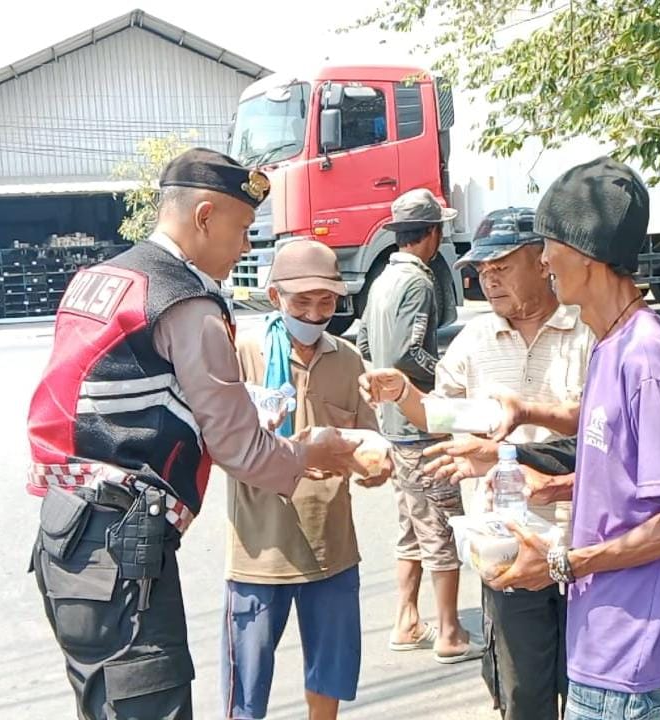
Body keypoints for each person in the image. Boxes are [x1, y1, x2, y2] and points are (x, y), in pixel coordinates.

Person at [25, 148, 363, 720]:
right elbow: (241, 448)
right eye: (242, 229)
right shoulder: (186, 302)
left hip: (66, 534)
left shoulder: (102, 279)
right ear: (205, 216)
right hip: (124, 550)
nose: (246, 248)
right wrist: (310, 454)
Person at [467, 157, 660, 720]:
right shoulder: (611, 342)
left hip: (629, 644)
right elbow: (632, 476)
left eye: (548, 246)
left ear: (583, 254)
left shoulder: (646, 355)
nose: (542, 261)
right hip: (606, 629)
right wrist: (555, 487)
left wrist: (564, 565)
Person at [359, 207, 594, 719]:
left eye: (502, 267)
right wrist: (405, 396)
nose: (488, 281)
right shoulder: (474, 341)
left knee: (588, 691)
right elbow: (445, 413)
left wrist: (506, 450)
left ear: (543, 262)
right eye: (482, 272)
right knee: (522, 694)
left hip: (589, 543)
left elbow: (602, 429)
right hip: (506, 548)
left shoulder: (588, 333)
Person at [223, 238, 393, 720]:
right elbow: (222, 447)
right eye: (303, 302)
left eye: (326, 302)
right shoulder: (244, 355)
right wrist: (287, 451)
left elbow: (369, 448)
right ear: (274, 297)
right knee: (245, 692)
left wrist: (374, 467)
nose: (315, 313)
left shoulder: (347, 360)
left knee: (330, 675)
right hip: (260, 552)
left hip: (331, 549)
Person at [356, 187, 482, 663]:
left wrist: (385, 388)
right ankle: (450, 633)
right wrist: (444, 377)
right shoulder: (420, 282)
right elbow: (410, 353)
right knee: (440, 528)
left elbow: (367, 340)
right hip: (420, 425)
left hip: (391, 424)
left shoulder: (383, 278)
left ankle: (407, 620)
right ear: (432, 234)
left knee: (411, 525)